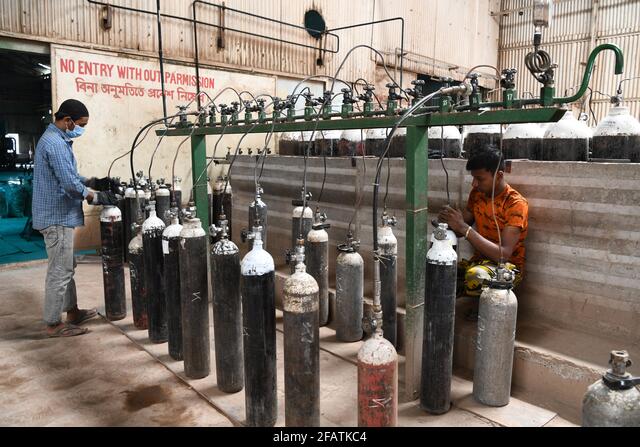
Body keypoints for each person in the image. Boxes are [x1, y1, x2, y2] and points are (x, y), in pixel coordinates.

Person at [32, 99, 119, 338]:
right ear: (67, 120)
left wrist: (93, 181)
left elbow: (70, 175)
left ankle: (72, 311)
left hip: (59, 215)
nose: (81, 129)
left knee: (66, 266)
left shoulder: (58, 140)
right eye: (80, 124)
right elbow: (70, 185)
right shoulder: (55, 144)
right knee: (60, 270)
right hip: (56, 216)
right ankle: (53, 324)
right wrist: (97, 196)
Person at [438, 147, 529, 314]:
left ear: (499, 175)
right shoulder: (477, 193)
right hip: (479, 262)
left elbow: (503, 255)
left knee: (475, 277)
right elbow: (461, 229)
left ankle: (489, 310)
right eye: (473, 178)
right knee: (438, 270)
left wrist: (464, 228)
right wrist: (449, 222)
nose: (474, 184)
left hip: (507, 269)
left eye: (479, 179)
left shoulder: (515, 204)